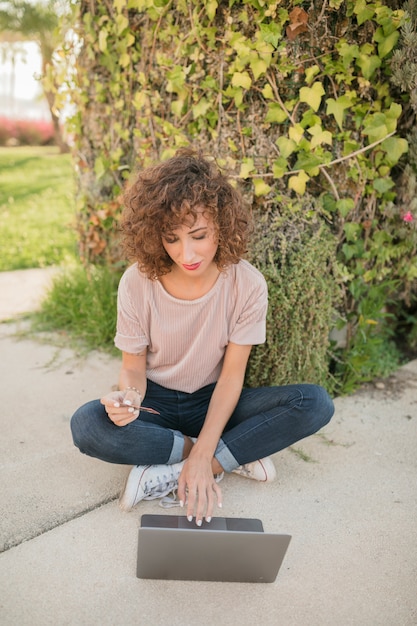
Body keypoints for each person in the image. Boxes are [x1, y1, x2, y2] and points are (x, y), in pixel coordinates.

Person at [70, 148, 334, 527]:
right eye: (171, 239)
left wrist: (202, 454)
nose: (186, 253)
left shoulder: (247, 284)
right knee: (87, 425)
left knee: (314, 403)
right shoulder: (136, 282)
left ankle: (183, 466)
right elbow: (132, 368)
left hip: (215, 400)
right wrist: (126, 400)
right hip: (156, 404)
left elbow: (231, 377)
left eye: (198, 235)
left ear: (221, 227)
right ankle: (228, 455)